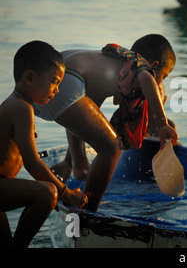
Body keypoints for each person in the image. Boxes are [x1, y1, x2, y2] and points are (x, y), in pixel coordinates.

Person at [33, 34, 178, 211]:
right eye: (164, 76)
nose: (160, 83)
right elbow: (147, 78)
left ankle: (76, 166)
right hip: (66, 80)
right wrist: (163, 123)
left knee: (99, 138)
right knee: (112, 146)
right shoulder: (140, 66)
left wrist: (70, 161)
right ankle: (89, 213)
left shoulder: (111, 64)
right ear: (154, 66)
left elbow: (80, 122)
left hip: (41, 80)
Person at [0, 41, 88, 248]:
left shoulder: (15, 104)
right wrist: (66, 192)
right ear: (30, 77)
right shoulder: (21, 108)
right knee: (47, 192)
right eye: (54, 82)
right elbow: (33, 164)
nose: (57, 90)